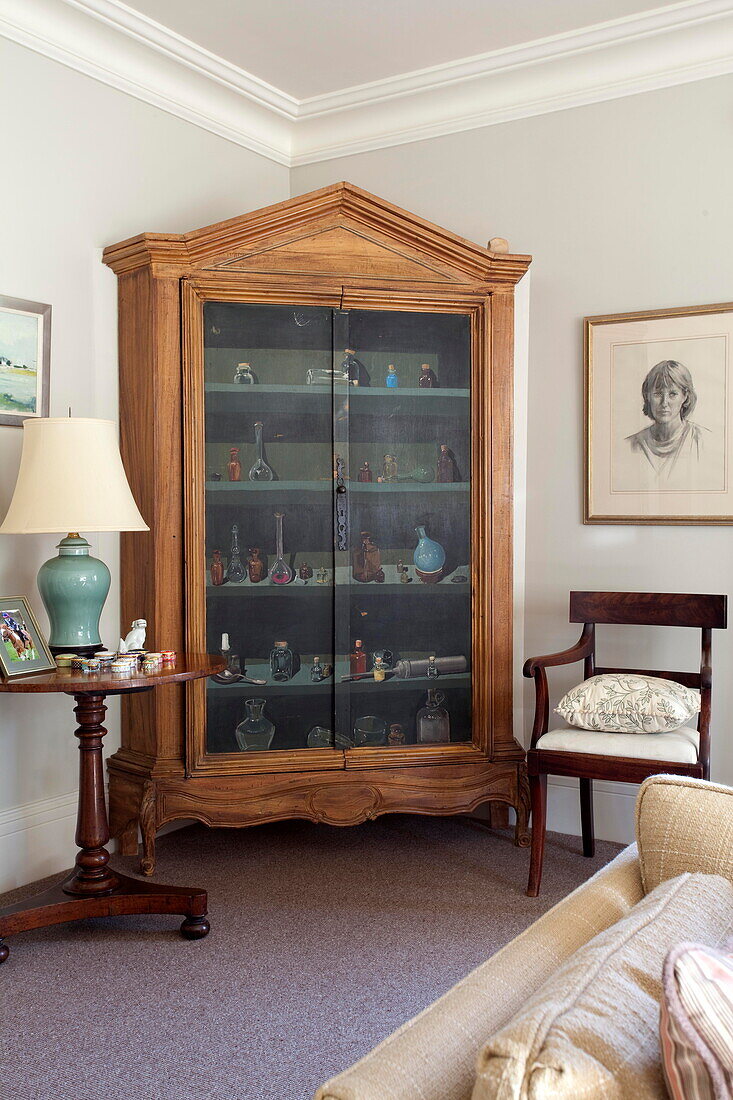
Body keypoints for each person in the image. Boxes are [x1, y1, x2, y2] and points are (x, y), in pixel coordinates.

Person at [625, 359, 708, 480]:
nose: (664, 403)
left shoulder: (701, 440)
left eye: (673, 394)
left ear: (685, 397)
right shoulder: (632, 444)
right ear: (647, 396)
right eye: (658, 394)